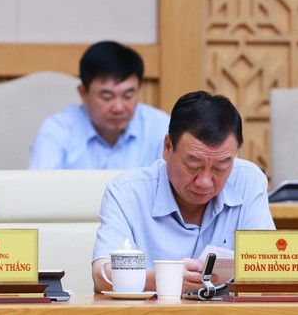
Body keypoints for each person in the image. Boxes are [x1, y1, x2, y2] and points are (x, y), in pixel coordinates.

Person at [91, 91, 275, 294]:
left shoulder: (248, 180)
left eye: (220, 168)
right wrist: (164, 279)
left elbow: (266, 269)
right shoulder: (127, 192)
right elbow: (102, 276)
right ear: (167, 147)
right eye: (193, 166)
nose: (204, 182)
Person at [29, 41, 169, 169]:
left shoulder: (159, 127)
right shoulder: (58, 129)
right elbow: (40, 185)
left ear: (139, 89)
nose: (118, 108)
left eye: (128, 96)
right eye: (107, 97)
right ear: (83, 93)